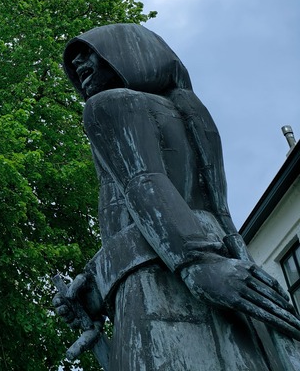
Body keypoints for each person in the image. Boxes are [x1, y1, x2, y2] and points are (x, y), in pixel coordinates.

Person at [54, 23, 300, 370]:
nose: (79, 65)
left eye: (88, 53)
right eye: (74, 61)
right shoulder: (190, 113)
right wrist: (93, 287)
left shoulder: (109, 105)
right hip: (223, 274)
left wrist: (198, 263)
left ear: (124, 51)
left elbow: (144, 182)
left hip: (163, 286)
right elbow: (209, 213)